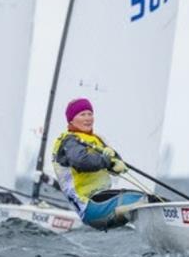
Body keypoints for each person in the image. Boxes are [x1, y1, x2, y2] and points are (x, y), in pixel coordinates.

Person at [52, 98, 145, 229]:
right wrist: (107, 161)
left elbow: (114, 159)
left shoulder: (97, 138)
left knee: (149, 199)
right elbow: (82, 161)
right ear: (71, 120)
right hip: (89, 208)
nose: (88, 118)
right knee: (142, 203)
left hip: (102, 198)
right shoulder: (68, 142)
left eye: (90, 114)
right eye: (82, 114)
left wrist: (116, 163)